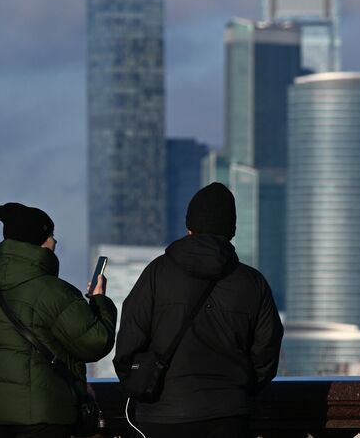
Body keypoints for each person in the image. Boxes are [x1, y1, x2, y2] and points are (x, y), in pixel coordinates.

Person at [115, 182, 283, 438]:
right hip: (227, 415)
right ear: (231, 230)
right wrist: (239, 389)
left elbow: (129, 339)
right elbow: (266, 352)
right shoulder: (253, 282)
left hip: (162, 414)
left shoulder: (157, 273)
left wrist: (140, 382)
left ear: (189, 227)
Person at [0, 202, 117, 438]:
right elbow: (96, 342)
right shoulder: (52, 291)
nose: (55, 241)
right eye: (51, 235)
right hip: (41, 416)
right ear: (40, 240)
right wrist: (100, 300)